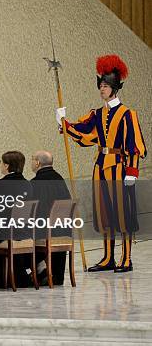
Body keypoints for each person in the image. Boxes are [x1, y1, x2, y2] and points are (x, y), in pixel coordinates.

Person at [56, 54, 146, 273]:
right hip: (100, 166)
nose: (102, 89)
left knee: (123, 214)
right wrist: (63, 122)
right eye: (101, 85)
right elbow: (84, 131)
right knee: (105, 213)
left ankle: (126, 258)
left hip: (120, 167)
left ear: (115, 87)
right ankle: (108, 258)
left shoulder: (127, 114)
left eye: (106, 86)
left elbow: (134, 144)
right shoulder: (97, 114)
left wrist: (132, 171)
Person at [0, 151, 33, 288]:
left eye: (1, 163)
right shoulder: (29, 185)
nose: (0, 165)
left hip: (5, 234)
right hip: (25, 233)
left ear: (7, 166)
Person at [30, 150, 71, 285]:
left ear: (37, 162)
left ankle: (40, 270)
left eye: (32, 160)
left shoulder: (35, 182)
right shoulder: (60, 179)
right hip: (64, 231)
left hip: (45, 232)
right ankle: (56, 276)